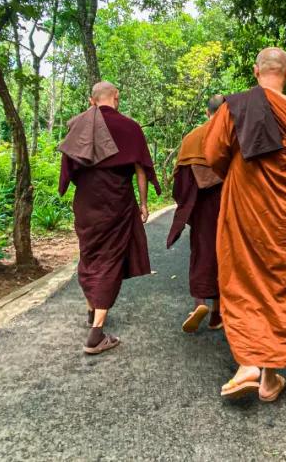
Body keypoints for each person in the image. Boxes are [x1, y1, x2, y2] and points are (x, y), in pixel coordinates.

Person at [204, 47, 286, 402]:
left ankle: (247, 366)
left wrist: (239, 174)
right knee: (278, 284)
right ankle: (269, 375)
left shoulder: (234, 106)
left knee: (242, 279)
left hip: (243, 208)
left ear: (257, 71)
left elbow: (213, 155)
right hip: (284, 216)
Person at [58, 81, 159, 355]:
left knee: (89, 253)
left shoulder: (79, 125)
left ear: (92, 101)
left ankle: (93, 309)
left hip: (86, 202)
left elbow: (69, 168)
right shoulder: (130, 127)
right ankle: (96, 334)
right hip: (116, 199)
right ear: (117, 97)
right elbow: (141, 170)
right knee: (110, 258)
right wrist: (144, 203)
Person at [167, 94, 226, 333]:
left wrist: (186, 205)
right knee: (225, 256)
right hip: (226, 204)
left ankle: (198, 304)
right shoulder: (231, 137)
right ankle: (216, 315)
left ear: (206, 113)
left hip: (201, 207)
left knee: (201, 251)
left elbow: (181, 181)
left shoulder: (191, 138)